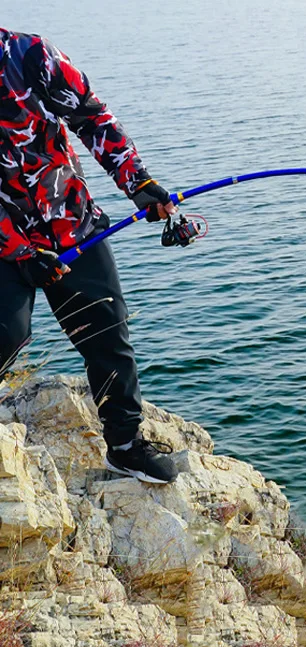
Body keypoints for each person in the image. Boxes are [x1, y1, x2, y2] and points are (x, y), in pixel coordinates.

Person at [0, 27, 178, 483]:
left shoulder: (28, 54)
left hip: (71, 222)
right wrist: (18, 250)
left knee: (108, 334)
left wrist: (136, 182)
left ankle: (124, 446)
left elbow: (92, 118)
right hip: (4, 243)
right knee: (6, 335)